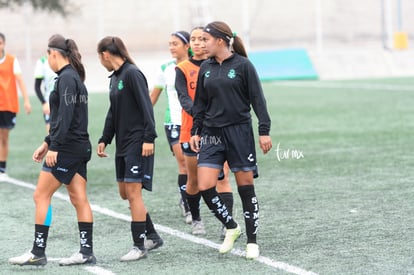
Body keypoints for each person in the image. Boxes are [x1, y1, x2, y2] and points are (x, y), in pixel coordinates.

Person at [9, 34, 96, 266]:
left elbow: (65, 116)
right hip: (78, 146)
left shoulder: (66, 78)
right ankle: (86, 252)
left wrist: (55, 146)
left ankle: (38, 252)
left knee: (41, 195)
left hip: (67, 148)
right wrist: (48, 141)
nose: (47, 59)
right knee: (79, 198)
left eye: (47, 55)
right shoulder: (72, 77)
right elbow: (64, 118)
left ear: (53, 54)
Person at [189, 21, 273, 259]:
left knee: (245, 189)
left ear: (220, 41)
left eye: (205, 40)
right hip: (211, 135)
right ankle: (232, 227)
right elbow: (200, 104)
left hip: (239, 132)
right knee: (204, 186)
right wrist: (196, 130)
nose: (202, 44)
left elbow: (258, 99)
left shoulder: (244, 66)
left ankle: (252, 242)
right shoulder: (205, 67)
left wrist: (264, 131)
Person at [96, 36, 163, 262]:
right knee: (125, 193)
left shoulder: (132, 73)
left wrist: (148, 138)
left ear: (105, 54)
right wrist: (105, 138)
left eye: (100, 57)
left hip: (137, 142)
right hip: (123, 144)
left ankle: (139, 246)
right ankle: (152, 235)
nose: (101, 61)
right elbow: (113, 112)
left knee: (134, 194)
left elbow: (147, 107)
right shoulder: (114, 78)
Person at [175, 27, 234, 237]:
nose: (198, 43)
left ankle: (227, 223)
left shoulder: (218, 65)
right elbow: (184, 99)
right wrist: (201, 116)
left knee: (222, 178)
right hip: (192, 131)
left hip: (218, 130)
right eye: (193, 39)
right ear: (189, 44)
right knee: (193, 180)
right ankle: (196, 218)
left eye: (202, 39)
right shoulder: (182, 69)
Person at [150, 31, 192, 224]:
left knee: (199, 166)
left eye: (175, 43)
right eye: (170, 44)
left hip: (195, 122)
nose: (171, 47)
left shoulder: (198, 65)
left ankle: (192, 197)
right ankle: (188, 205)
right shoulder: (165, 69)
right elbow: (153, 97)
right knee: (183, 163)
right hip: (174, 121)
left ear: (187, 46)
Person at [0, 32, 31, 177]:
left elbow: (20, 80)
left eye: (0, 43)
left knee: (4, 137)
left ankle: (2, 168)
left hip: (8, 105)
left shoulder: (12, 60)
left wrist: (26, 100)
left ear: (4, 44)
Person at [34, 55, 57, 132]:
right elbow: (37, 86)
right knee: (51, 136)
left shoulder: (65, 59)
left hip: (64, 103)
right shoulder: (42, 62)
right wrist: (44, 103)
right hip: (49, 104)